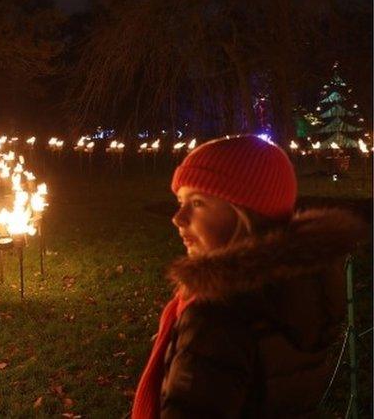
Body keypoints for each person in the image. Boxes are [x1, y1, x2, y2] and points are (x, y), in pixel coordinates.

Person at [131, 135, 365, 418]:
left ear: (245, 213)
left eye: (197, 203)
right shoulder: (301, 287)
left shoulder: (218, 315)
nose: (177, 217)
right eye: (180, 201)